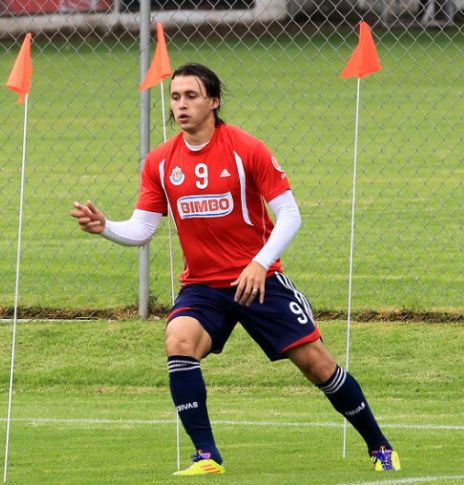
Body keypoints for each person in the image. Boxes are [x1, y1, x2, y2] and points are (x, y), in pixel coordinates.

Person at [70, 63, 400, 476]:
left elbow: (290, 214)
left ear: (214, 101)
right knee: (178, 339)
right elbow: (142, 229)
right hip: (204, 287)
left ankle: (380, 445)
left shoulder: (246, 148)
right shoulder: (159, 162)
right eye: (175, 97)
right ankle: (207, 455)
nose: (181, 105)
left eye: (191, 96)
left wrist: (260, 264)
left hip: (258, 282)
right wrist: (106, 228)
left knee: (318, 365)